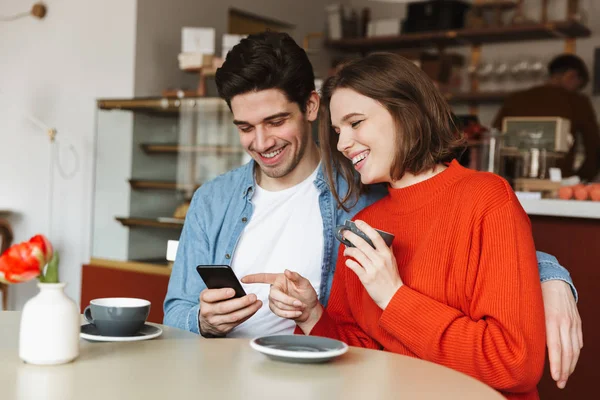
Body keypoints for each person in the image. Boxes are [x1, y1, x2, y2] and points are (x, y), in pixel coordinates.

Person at [163, 31, 581, 389]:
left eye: (275, 121)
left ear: (311, 108)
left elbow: (465, 226)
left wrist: (552, 277)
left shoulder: (360, 193)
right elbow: (175, 311)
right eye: (245, 128)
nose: (261, 141)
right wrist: (208, 319)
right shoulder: (216, 200)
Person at [244, 52, 547, 399]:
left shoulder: (486, 199)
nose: (342, 144)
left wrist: (393, 296)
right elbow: (356, 353)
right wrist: (312, 315)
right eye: (338, 131)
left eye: (356, 123)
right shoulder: (364, 224)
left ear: (407, 112)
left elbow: (514, 364)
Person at [493, 53, 600, 181]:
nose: (577, 90)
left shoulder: (515, 99)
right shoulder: (577, 101)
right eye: (578, 86)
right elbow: (594, 148)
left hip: (513, 181)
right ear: (570, 75)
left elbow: (494, 138)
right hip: (558, 182)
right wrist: (579, 179)